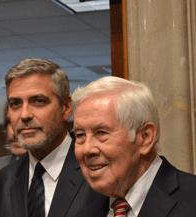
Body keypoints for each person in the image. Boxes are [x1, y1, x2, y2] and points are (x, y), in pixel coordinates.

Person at [0, 58, 109, 217]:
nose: (25, 115)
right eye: (15, 104)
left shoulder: (101, 170)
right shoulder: (1, 181)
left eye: (38, 101)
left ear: (66, 107)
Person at [72, 76, 196, 216]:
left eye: (101, 133)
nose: (87, 149)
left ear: (145, 137)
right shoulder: (80, 208)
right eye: (80, 135)